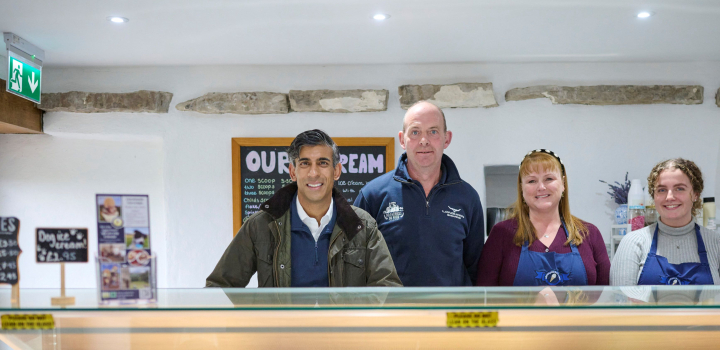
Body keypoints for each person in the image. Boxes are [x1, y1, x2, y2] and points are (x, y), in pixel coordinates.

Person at [206, 129, 402, 288]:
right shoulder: (260, 226)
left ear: (336, 171)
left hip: (342, 335)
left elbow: (387, 288)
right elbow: (220, 287)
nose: (314, 173)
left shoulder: (363, 225)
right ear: (293, 171)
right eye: (305, 163)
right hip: (282, 336)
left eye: (323, 163)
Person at [355, 101, 484, 286]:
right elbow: (354, 264)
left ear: (447, 139)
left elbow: (476, 268)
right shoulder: (373, 195)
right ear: (402, 139)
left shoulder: (468, 198)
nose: (424, 140)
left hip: (449, 312)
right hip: (393, 312)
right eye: (415, 132)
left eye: (433, 131)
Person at [477, 150, 610, 286]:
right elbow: (484, 298)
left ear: (563, 184)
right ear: (521, 188)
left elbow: (606, 299)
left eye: (549, 179)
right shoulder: (501, 234)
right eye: (532, 181)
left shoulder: (590, 233)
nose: (541, 187)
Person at [610, 158, 720, 286]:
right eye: (661, 190)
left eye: (679, 189)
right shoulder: (632, 244)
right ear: (653, 196)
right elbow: (621, 303)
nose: (670, 197)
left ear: (695, 194)